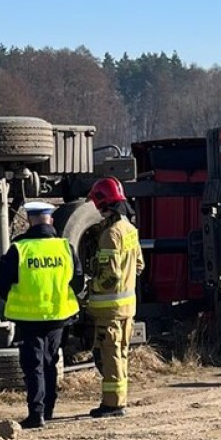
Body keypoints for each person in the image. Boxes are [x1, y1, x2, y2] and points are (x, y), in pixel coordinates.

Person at [0, 202, 85, 429]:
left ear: (30, 221)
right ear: (51, 221)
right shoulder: (65, 247)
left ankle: (36, 415)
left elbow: (2, 281)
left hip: (28, 319)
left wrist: (17, 299)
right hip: (58, 315)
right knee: (50, 362)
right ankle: (49, 409)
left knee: (33, 365)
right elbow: (78, 280)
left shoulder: (19, 249)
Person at [81, 177, 144, 419]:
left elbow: (110, 276)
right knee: (121, 353)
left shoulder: (110, 234)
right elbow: (138, 265)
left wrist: (90, 286)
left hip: (110, 309)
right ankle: (118, 400)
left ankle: (113, 404)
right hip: (128, 307)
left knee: (110, 355)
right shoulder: (130, 230)